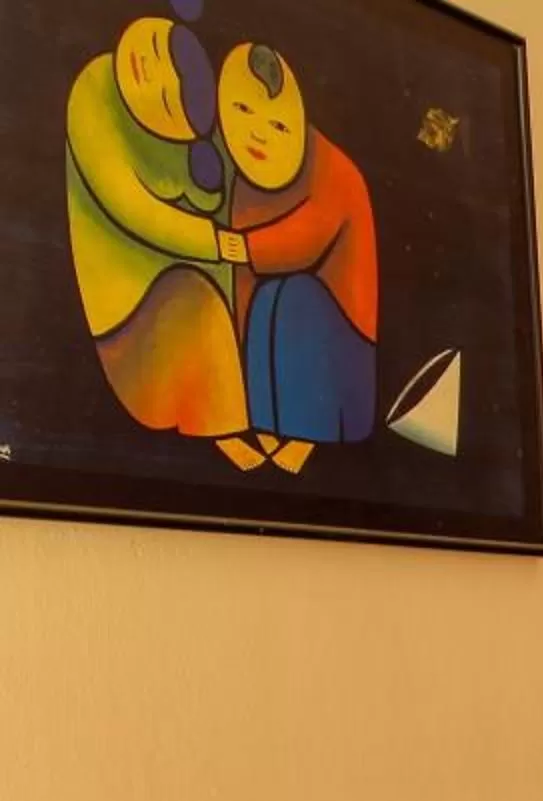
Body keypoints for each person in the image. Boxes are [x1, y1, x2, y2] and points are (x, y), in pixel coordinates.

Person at [64, 13, 254, 459]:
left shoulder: (211, 152)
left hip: (180, 319)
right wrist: (211, 241)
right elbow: (133, 208)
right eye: (152, 48)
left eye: (165, 98)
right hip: (126, 319)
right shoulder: (94, 90)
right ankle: (225, 430)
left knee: (218, 303)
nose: (149, 71)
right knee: (198, 303)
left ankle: (233, 419)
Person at [218, 42, 378, 475]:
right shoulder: (243, 182)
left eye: (276, 124)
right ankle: (268, 421)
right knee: (259, 309)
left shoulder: (332, 168)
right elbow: (243, 285)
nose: (258, 133)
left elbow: (310, 233)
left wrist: (249, 249)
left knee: (293, 297)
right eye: (243, 112)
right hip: (276, 312)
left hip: (339, 326)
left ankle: (307, 433)